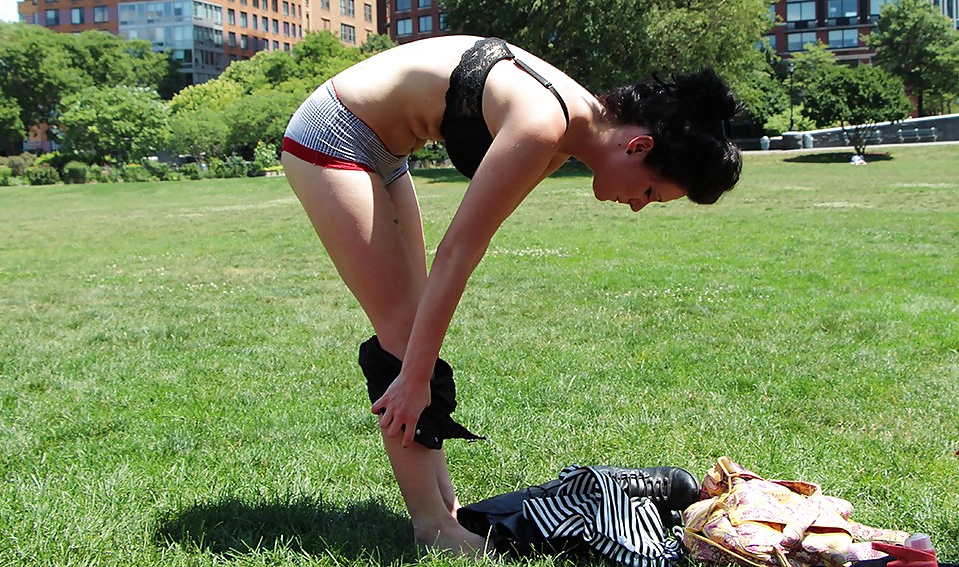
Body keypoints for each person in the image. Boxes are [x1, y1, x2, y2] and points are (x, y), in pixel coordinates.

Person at [281, 35, 742, 556]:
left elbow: (467, 247)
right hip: (334, 137)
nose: (638, 206)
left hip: (386, 153)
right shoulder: (545, 123)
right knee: (402, 346)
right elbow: (457, 251)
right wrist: (412, 376)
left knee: (413, 341)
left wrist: (421, 369)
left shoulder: (571, 126)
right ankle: (432, 528)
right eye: (652, 194)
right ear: (638, 148)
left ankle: (447, 514)